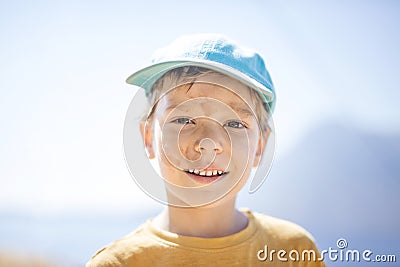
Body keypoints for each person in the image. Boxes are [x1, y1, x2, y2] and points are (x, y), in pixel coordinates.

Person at [86, 34, 326, 266]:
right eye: (183, 120)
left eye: (234, 124)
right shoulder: (119, 263)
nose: (208, 143)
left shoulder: (294, 251)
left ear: (259, 147)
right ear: (148, 137)